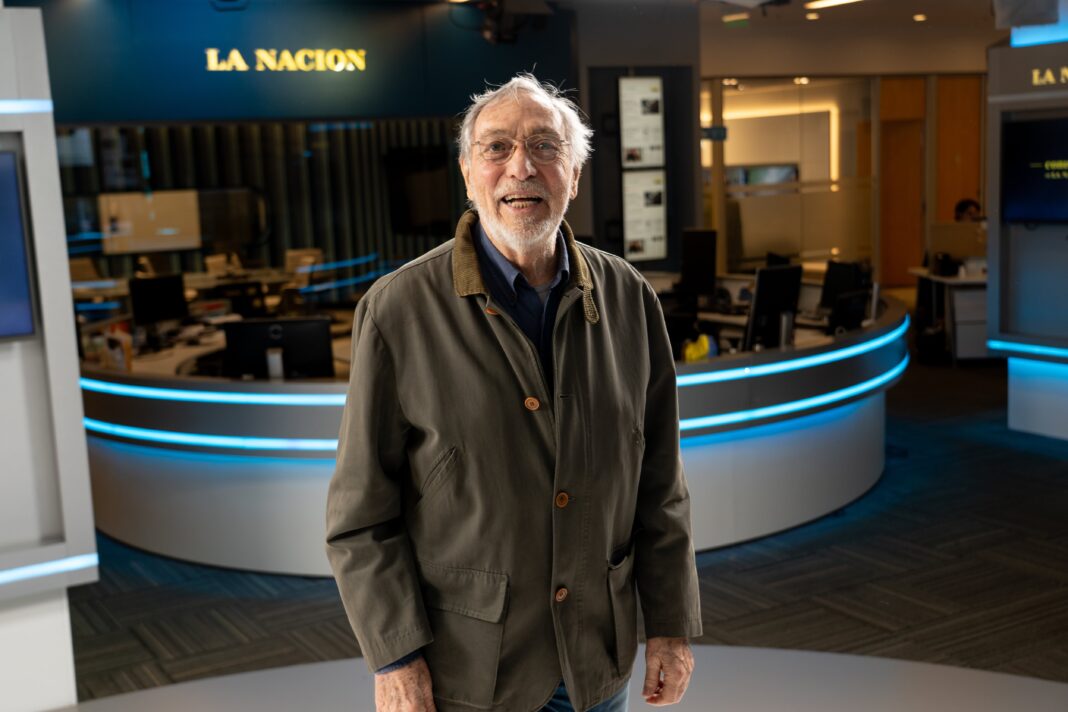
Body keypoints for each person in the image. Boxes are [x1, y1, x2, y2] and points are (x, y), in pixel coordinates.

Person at [325, 73, 702, 712]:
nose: (520, 167)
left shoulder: (629, 297)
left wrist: (669, 623)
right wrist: (395, 657)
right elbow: (361, 516)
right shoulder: (397, 310)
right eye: (497, 148)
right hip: (471, 671)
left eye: (545, 147)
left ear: (574, 175)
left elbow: (659, 484)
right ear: (469, 175)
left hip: (595, 662)